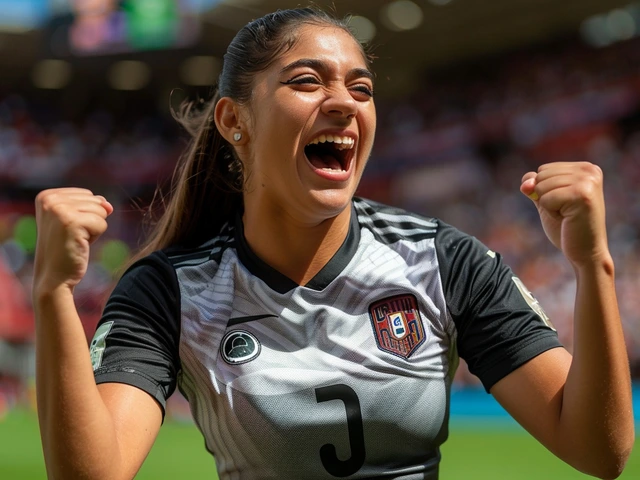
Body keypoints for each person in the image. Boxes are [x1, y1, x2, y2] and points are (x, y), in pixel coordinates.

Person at [32, 7, 634, 480]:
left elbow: (599, 451)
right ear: (234, 121)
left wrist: (593, 265)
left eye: (362, 88)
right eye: (306, 81)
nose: (345, 103)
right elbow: (93, 472)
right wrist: (55, 293)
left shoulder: (444, 260)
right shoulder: (169, 290)